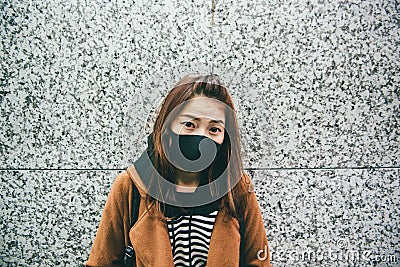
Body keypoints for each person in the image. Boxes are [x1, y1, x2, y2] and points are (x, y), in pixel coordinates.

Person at [85, 74, 272, 266]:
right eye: (189, 124)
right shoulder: (130, 186)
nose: (201, 138)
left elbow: (258, 262)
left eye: (214, 129)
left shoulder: (238, 189)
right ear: (167, 126)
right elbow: (101, 262)